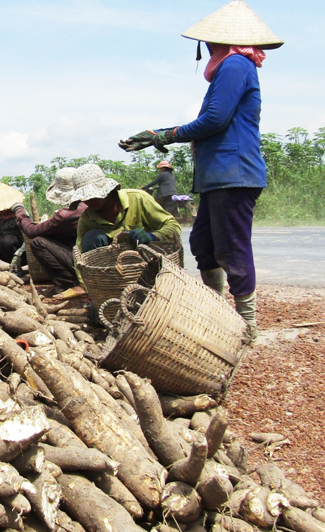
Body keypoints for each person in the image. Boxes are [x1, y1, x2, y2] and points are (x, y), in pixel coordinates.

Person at [119, 0, 283, 339]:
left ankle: (247, 325)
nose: (206, 47)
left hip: (233, 173)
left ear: (217, 41)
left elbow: (214, 120)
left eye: (209, 42)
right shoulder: (231, 67)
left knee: (231, 248)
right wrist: (159, 135)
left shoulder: (236, 64)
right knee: (204, 244)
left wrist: (163, 135)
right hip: (218, 176)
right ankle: (218, 311)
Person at [10, 167, 87, 298]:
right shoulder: (89, 205)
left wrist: (19, 211)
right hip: (94, 256)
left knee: (38, 243)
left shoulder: (66, 215)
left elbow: (31, 231)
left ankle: (69, 283)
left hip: (82, 260)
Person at [69, 163, 181, 254]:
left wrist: (153, 236)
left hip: (147, 257)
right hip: (112, 268)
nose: (89, 200)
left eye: (93, 195)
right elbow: (80, 256)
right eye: (85, 197)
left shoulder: (138, 198)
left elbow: (173, 226)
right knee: (92, 237)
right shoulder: (87, 219)